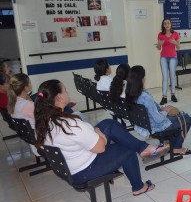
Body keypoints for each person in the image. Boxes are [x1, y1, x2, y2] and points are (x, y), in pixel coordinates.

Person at [34, 79, 169, 195]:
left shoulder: (43, 122)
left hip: (72, 166)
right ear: (59, 98)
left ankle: (144, 148)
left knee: (108, 124)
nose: (67, 92)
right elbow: (100, 148)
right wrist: (98, 133)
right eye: (65, 90)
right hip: (85, 170)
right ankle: (139, 187)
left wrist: (94, 131)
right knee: (126, 148)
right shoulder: (71, 124)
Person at [125, 65, 191, 155]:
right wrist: (166, 111)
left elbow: (151, 111)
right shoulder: (145, 96)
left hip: (144, 126)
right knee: (187, 118)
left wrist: (162, 109)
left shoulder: (129, 95)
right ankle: (176, 147)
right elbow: (158, 119)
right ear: (141, 79)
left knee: (179, 115)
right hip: (156, 126)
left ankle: (168, 143)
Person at [156, 18, 180, 105]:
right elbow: (158, 48)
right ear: (163, 25)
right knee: (165, 77)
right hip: (163, 58)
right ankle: (164, 97)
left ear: (171, 24)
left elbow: (179, 47)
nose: (167, 25)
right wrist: (159, 44)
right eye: (165, 23)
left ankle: (173, 95)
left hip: (173, 57)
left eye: (168, 23)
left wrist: (175, 42)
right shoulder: (160, 35)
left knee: (172, 76)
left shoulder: (175, 34)